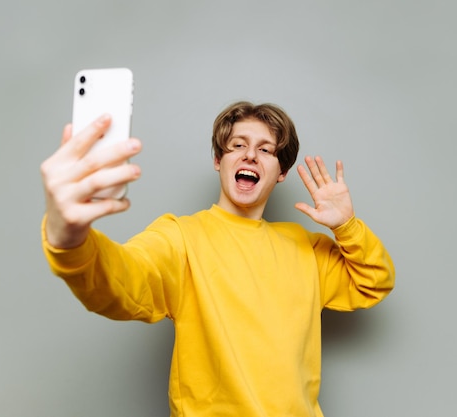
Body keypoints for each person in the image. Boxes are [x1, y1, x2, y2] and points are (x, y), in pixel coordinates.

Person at [40, 101, 395, 416]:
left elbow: (374, 282)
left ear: (281, 172)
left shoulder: (307, 248)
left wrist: (347, 227)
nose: (250, 155)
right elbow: (121, 282)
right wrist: (70, 239)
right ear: (218, 160)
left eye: (266, 150)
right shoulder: (180, 238)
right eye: (237, 145)